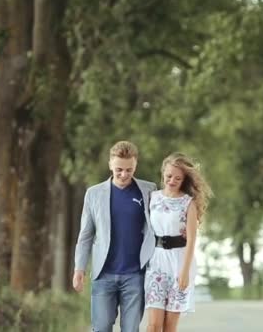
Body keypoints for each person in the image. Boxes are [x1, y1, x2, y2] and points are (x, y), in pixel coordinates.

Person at [73, 141, 157, 332]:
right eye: (119, 169)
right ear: (110, 164)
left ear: (135, 165)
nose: (124, 174)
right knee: (101, 327)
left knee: (130, 329)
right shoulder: (93, 194)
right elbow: (86, 235)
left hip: (135, 274)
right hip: (104, 274)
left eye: (129, 170)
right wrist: (79, 268)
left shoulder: (149, 190)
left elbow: (161, 222)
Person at [144, 152, 213, 332]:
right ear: (163, 174)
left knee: (169, 326)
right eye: (168, 176)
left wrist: (184, 272)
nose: (172, 181)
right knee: (153, 325)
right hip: (156, 262)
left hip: (180, 263)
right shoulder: (153, 198)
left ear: (184, 180)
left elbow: (191, 240)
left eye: (177, 178)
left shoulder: (188, 203)